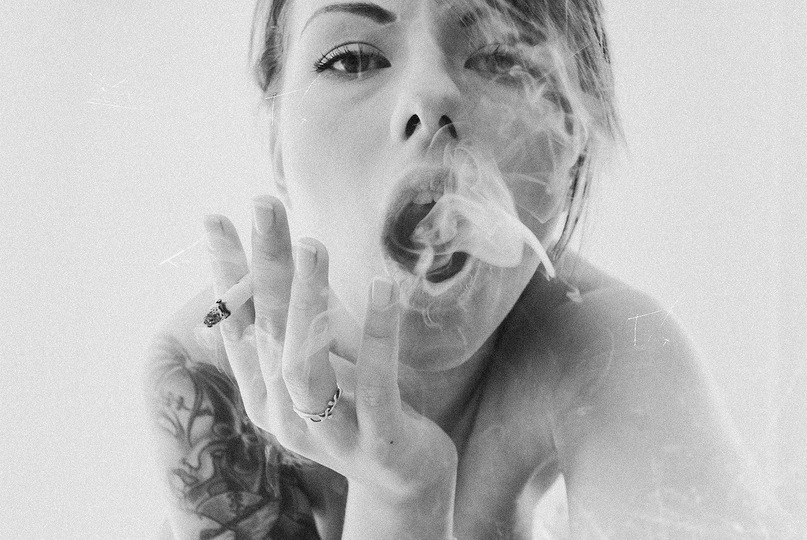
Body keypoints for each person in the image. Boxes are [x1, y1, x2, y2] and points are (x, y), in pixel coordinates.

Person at [143, 0, 797, 538]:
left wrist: (407, 498)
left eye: (501, 58)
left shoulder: (608, 348)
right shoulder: (208, 369)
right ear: (276, 143)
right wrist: (401, 497)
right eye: (351, 58)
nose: (431, 95)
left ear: (575, 141)